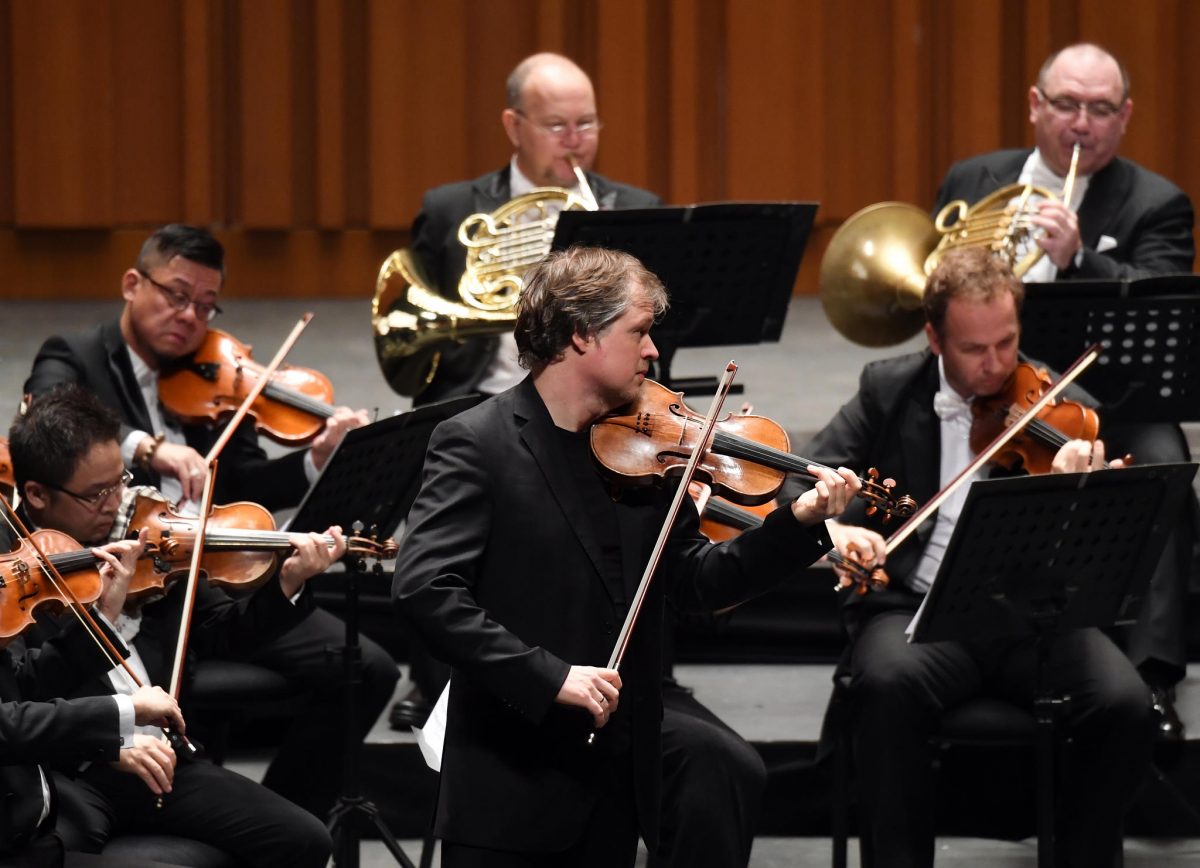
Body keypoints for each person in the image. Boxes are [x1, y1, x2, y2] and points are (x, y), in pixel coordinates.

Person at [392, 245, 858, 867]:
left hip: (613, 786)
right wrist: (549, 676)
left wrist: (798, 524)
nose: (653, 351)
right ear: (582, 335)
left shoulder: (640, 453)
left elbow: (697, 581)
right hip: (510, 790)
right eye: (638, 332)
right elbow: (426, 590)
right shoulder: (476, 443)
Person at [782, 247, 1152, 868]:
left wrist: (1078, 489)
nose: (995, 366)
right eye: (973, 349)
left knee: (1124, 704)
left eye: (1007, 344)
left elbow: (1093, 552)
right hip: (916, 614)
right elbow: (801, 479)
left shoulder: (1062, 406)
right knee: (884, 684)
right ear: (934, 338)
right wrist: (835, 532)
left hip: (1028, 619)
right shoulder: (888, 390)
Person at [22, 224, 400, 818]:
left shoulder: (215, 372)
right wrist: (150, 450)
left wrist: (314, 461)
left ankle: (283, 811)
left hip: (218, 562)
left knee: (365, 668)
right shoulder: (77, 355)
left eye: (205, 304)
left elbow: (247, 482)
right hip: (134, 583)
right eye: (176, 294)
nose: (190, 316)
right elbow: (47, 416)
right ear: (132, 283)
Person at [933, 42, 1196, 742]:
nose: (1082, 124)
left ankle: (1154, 679)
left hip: (1105, 404)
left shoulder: (1156, 202)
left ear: (1125, 116)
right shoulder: (974, 178)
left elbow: (1156, 292)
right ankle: (928, 609)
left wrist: (1081, 260)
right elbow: (935, 286)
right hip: (991, 389)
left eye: (1101, 109)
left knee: (1163, 457)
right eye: (1067, 105)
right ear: (1034, 105)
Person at [6, 385, 336, 864]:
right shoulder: (13, 573)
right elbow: (17, 703)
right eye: (97, 494)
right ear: (36, 494)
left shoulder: (147, 534)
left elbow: (224, 632)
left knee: (305, 839)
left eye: (119, 481)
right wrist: (104, 743)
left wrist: (287, 583)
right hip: (74, 768)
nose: (115, 502)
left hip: (160, 755)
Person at [407, 51, 662, 406]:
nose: (574, 140)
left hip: (603, 405)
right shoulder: (450, 210)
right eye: (557, 125)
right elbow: (418, 324)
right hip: (479, 399)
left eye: (586, 123)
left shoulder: (636, 209)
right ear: (514, 126)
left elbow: (659, 329)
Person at [0, 517, 184, 867]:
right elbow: (6, 725)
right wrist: (125, 710)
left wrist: (103, 614)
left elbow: (21, 685)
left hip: (29, 839)